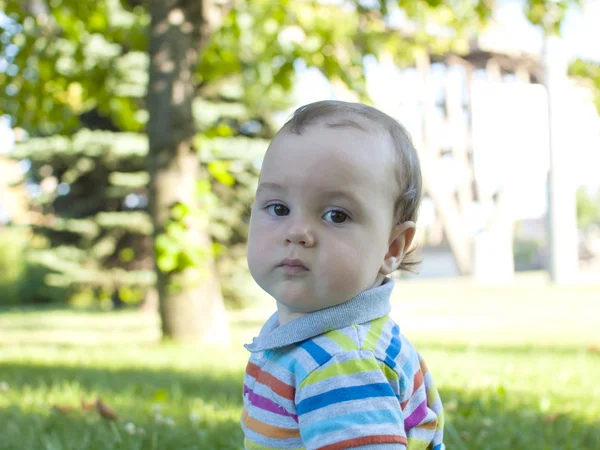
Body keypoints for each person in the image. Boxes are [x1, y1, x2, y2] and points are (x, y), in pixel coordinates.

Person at [241, 100, 444, 450]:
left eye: (336, 215)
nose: (297, 231)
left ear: (392, 248)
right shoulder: (309, 339)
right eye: (279, 208)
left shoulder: (341, 363)